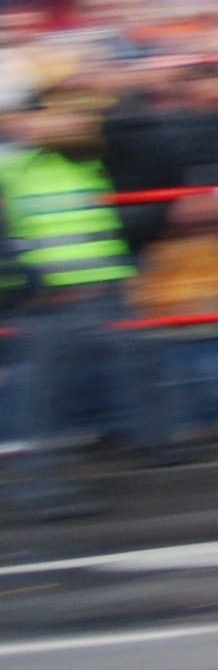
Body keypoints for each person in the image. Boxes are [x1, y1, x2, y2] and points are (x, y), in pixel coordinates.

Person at [2, 96, 155, 515]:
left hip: (101, 290)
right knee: (43, 400)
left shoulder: (82, 161)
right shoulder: (12, 167)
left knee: (60, 395)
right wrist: (23, 280)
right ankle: (39, 488)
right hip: (48, 299)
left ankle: (155, 444)